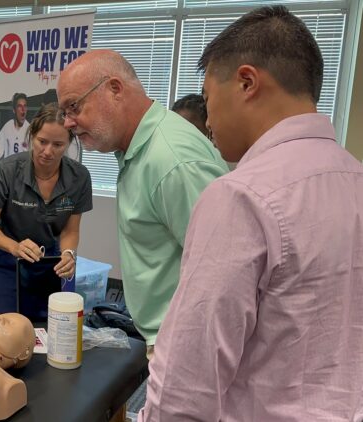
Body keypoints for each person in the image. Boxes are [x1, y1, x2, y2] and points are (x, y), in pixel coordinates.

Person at [140, 6, 363, 420]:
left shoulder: (240, 195)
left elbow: (187, 383)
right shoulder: (355, 178)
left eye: (207, 98)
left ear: (246, 82)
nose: (207, 120)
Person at [57, 50, 228, 358]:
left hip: (188, 347)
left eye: (74, 107)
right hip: (168, 339)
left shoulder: (173, 161)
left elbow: (224, 276)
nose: (68, 122)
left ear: (115, 89)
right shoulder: (139, 149)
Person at [0, 102, 92, 316]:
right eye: (42, 142)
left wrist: (68, 253)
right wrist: (14, 246)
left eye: (57, 145)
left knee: (43, 334)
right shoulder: (7, 171)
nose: (47, 151)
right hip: (6, 262)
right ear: (31, 137)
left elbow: (70, 230)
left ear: (69, 143)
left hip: (47, 264)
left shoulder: (79, 177)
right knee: (6, 333)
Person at [0, 92, 29, 172]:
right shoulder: (8, 126)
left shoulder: (30, 130)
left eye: (25, 106)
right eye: (19, 106)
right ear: (14, 110)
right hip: (8, 174)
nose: (23, 110)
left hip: (23, 176)